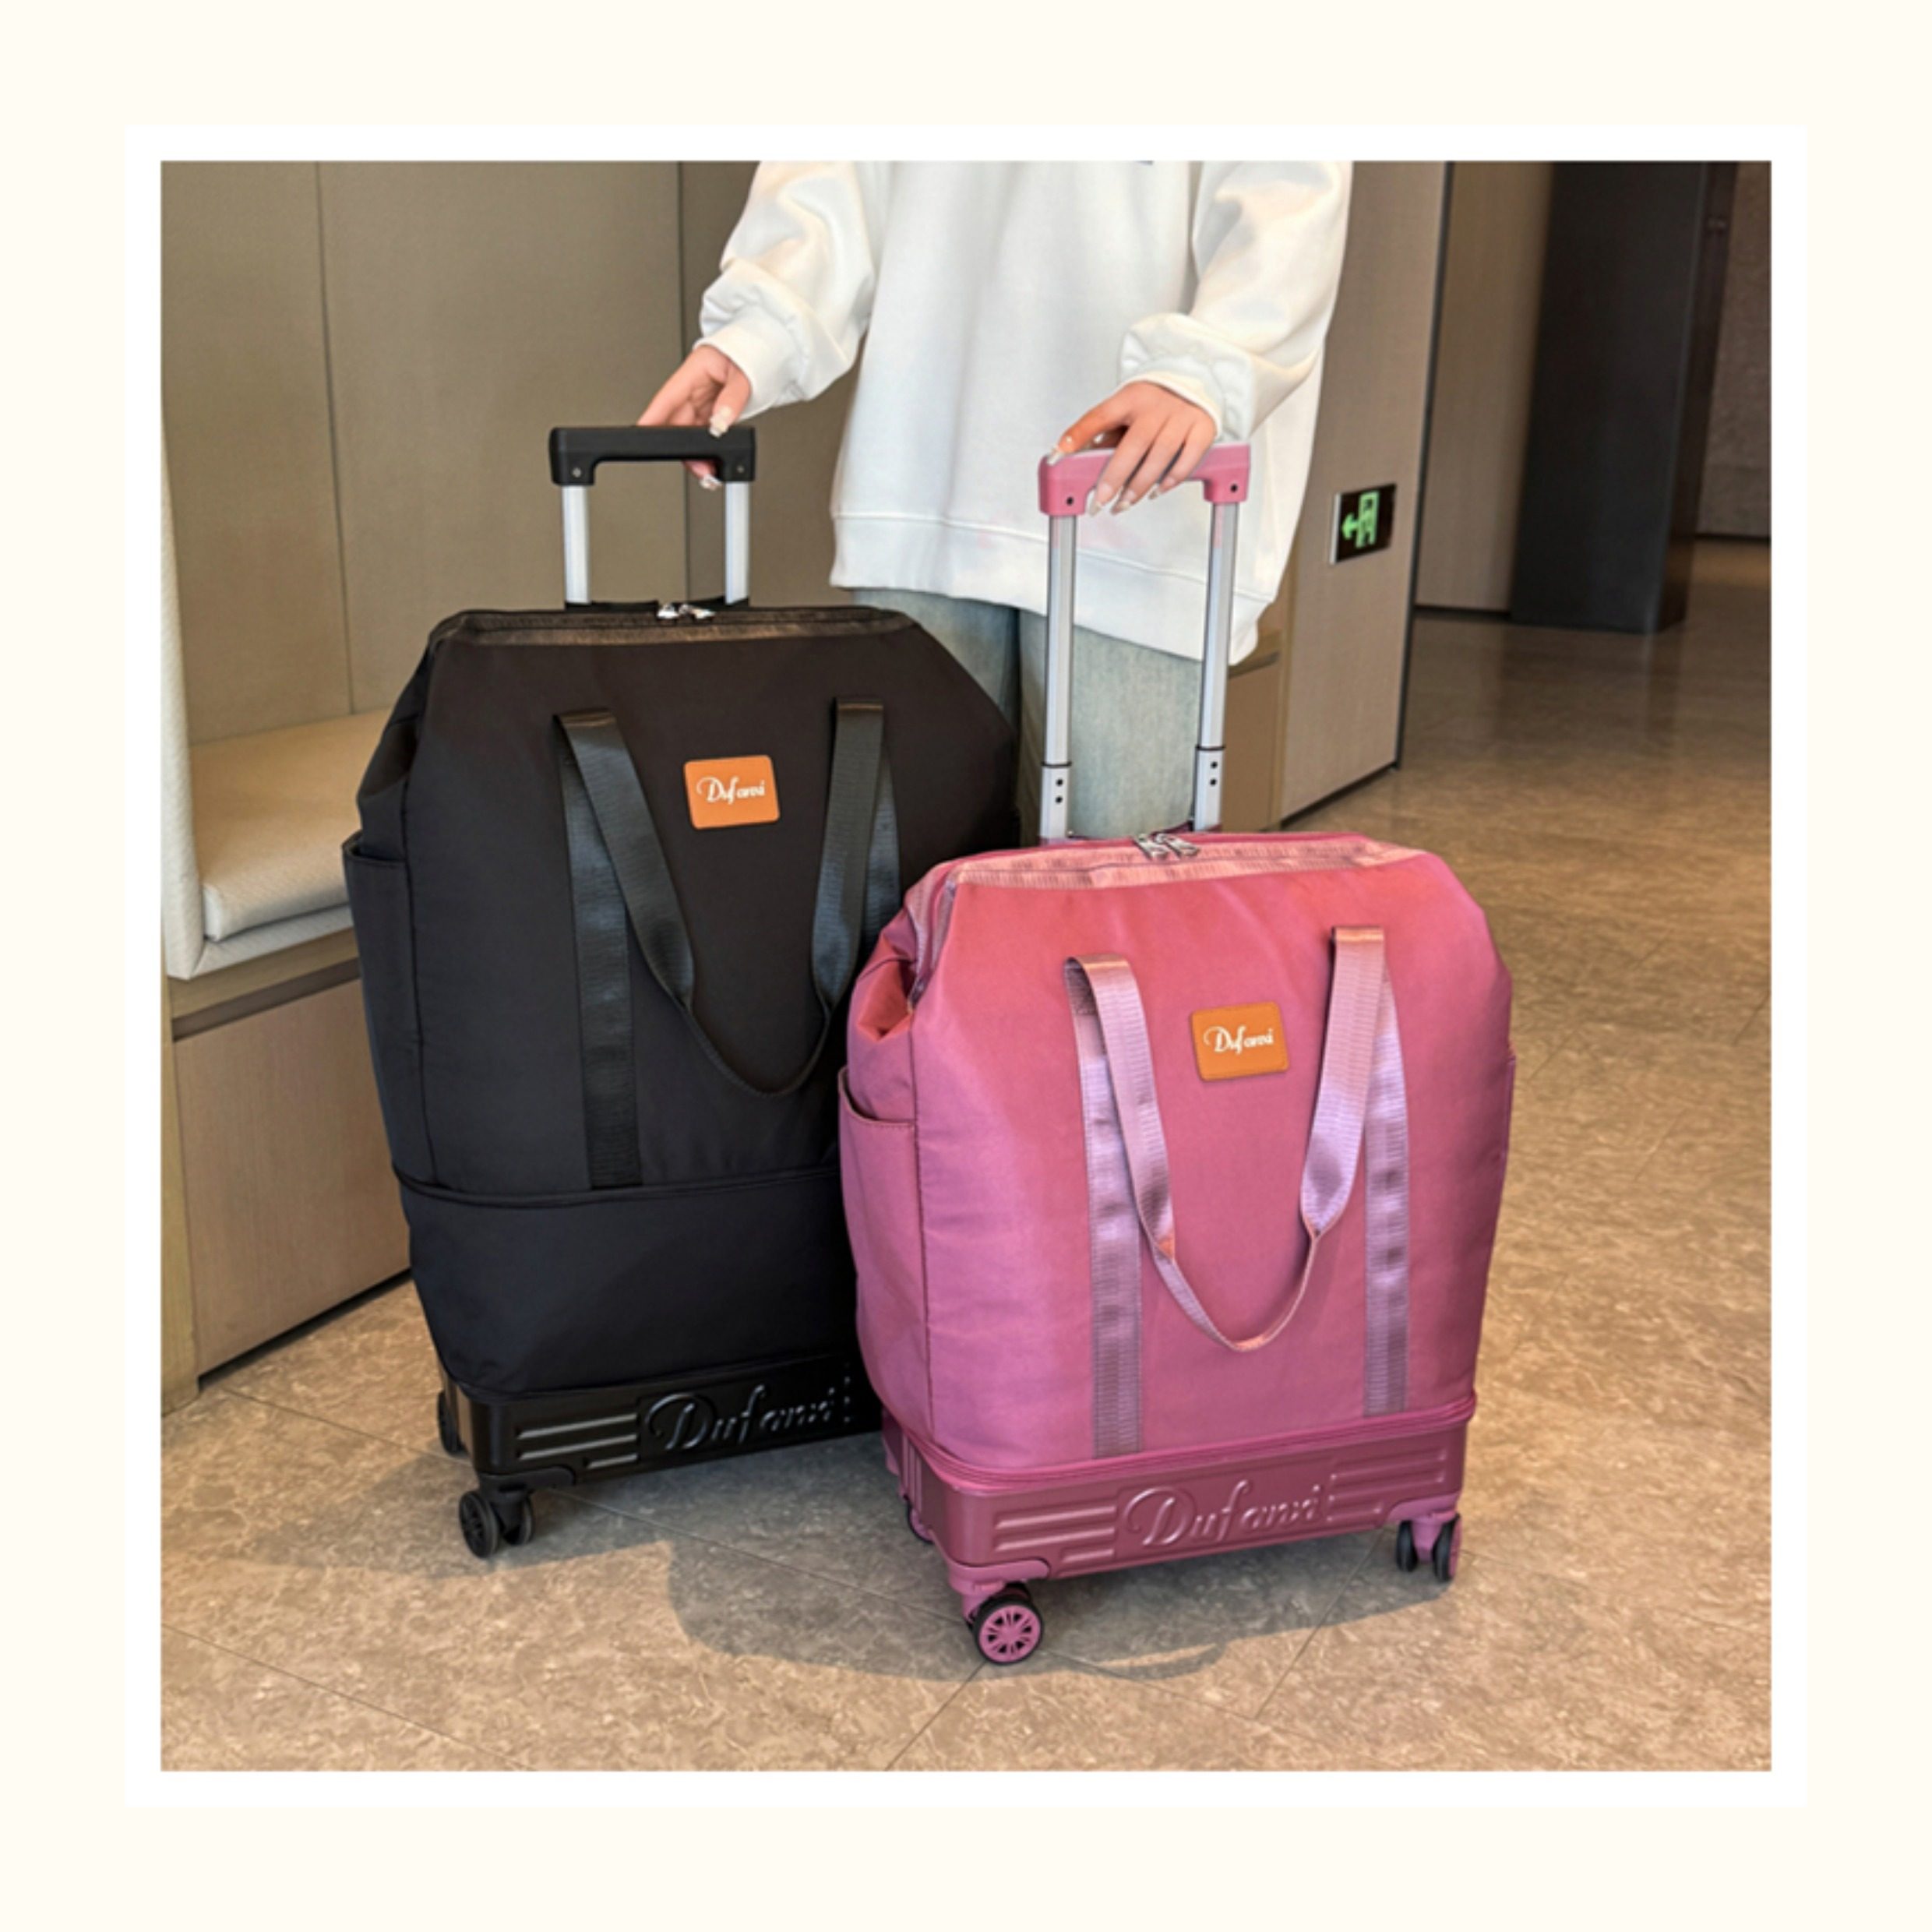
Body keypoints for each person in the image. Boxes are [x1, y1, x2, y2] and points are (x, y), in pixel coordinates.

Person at [640, 162, 1351, 838]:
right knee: (914, 870)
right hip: (927, 467)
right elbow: (838, 159)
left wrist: (1211, 365)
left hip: (1142, 497)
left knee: (1110, 889)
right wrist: (762, 326)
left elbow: (1286, 190)